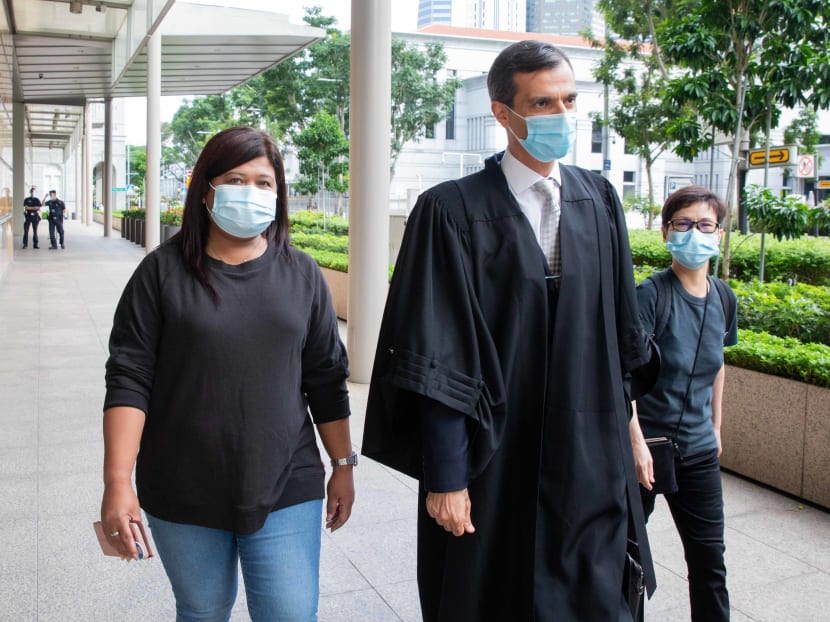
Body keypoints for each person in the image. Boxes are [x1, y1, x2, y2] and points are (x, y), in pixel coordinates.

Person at [362, 40, 657, 621]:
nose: (563, 116)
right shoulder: (450, 211)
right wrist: (446, 477)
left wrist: (633, 439)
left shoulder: (598, 199)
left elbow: (620, 340)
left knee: (594, 597)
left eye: (570, 100)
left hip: (588, 455)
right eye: (544, 103)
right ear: (503, 113)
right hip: (495, 457)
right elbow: (435, 353)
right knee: (491, 595)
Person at [100, 126, 355, 621]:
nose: (252, 192)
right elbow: (129, 378)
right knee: (202, 609)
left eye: (264, 182)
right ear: (205, 192)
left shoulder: (302, 274)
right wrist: (117, 482)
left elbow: (326, 377)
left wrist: (343, 465)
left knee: (290, 612)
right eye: (236, 179)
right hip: (183, 483)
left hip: (286, 478)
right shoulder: (160, 273)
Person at [629, 186, 737, 621]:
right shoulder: (650, 295)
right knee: (626, 556)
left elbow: (718, 364)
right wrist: (634, 442)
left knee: (710, 562)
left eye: (705, 224)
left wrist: (716, 428)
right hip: (647, 448)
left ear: (719, 234)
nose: (695, 233)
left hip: (698, 452)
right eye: (684, 223)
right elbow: (626, 374)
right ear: (665, 232)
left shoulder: (724, 298)